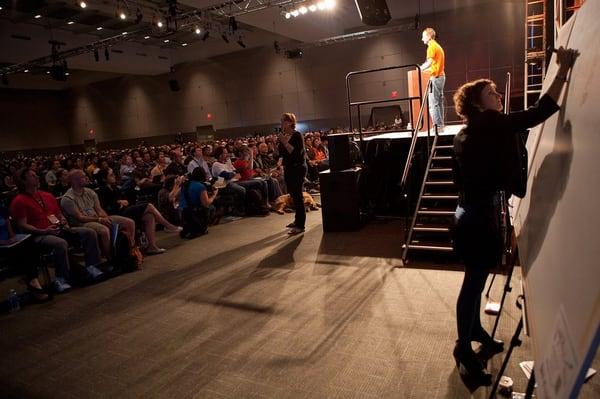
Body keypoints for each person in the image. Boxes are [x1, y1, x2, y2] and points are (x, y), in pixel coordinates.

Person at [451, 47, 577, 385]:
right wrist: (563, 70)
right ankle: (463, 348)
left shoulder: (464, 133)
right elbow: (539, 112)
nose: (497, 96)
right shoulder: (490, 122)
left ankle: (475, 330)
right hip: (479, 215)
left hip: (469, 212)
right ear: (478, 103)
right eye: (491, 93)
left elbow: (457, 180)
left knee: (474, 280)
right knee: (473, 282)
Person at [10, 168, 105, 292]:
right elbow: (23, 225)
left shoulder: (47, 195)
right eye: (32, 176)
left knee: (89, 232)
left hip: (58, 229)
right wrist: (43, 231)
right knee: (60, 243)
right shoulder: (19, 201)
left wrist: (63, 221)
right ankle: (61, 279)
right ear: (23, 181)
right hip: (39, 235)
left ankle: (92, 266)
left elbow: (58, 214)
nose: (37, 177)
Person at [61, 169, 140, 266]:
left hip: (97, 217)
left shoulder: (90, 192)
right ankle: (110, 258)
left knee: (129, 222)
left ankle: (131, 250)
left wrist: (105, 217)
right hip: (82, 223)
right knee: (104, 230)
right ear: (74, 180)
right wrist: (99, 219)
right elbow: (80, 217)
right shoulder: (67, 199)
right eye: (83, 177)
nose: (86, 178)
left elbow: (99, 209)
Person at [96, 169, 182, 255]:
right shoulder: (102, 191)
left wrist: (121, 202)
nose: (114, 176)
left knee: (149, 216)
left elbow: (125, 200)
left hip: (124, 209)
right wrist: (118, 202)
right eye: (111, 175)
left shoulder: (114, 187)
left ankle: (152, 246)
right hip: (116, 213)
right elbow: (106, 207)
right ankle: (168, 226)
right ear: (104, 179)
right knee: (149, 206)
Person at [278, 113, 307, 235]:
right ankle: (297, 220)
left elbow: (294, 153)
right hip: (289, 169)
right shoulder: (285, 136)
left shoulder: (297, 135)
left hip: (297, 168)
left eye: (283, 121)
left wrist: (284, 141)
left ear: (290, 122)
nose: (281, 124)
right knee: (293, 196)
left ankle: (300, 225)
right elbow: (282, 154)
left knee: (298, 196)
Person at [179, 167, 219, 238]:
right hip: (192, 212)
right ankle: (203, 226)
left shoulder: (185, 184)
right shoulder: (200, 186)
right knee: (211, 207)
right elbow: (206, 203)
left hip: (182, 211)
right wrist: (214, 195)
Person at [420, 27, 445, 129]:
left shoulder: (431, 46)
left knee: (433, 104)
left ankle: (438, 126)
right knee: (439, 103)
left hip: (435, 77)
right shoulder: (438, 46)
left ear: (429, 36)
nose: (422, 39)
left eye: (423, 36)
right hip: (441, 76)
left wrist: (420, 68)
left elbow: (429, 63)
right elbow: (434, 64)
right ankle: (441, 125)